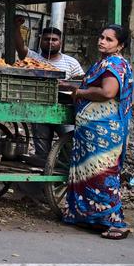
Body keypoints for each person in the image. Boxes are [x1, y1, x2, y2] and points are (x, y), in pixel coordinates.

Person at [61, 25, 134, 240]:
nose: (102, 41)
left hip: (104, 132)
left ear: (120, 45)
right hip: (91, 130)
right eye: (101, 37)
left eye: (109, 40)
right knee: (89, 175)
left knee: (102, 175)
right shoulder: (102, 63)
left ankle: (116, 223)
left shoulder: (115, 63)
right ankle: (92, 218)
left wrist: (79, 92)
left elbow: (108, 92)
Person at [13, 17, 85, 160]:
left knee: (69, 145)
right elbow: (20, 47)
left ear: (60, 42)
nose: (50, 42)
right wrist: (16, 27)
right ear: (40, 41)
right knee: (42, 151)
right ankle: (42, 173)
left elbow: (82, 82)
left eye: (54, 39)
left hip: (64, 110)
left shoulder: (71, 62)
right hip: (39, 108)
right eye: (46, 39)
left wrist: (66, 84)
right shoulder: (33, 58)